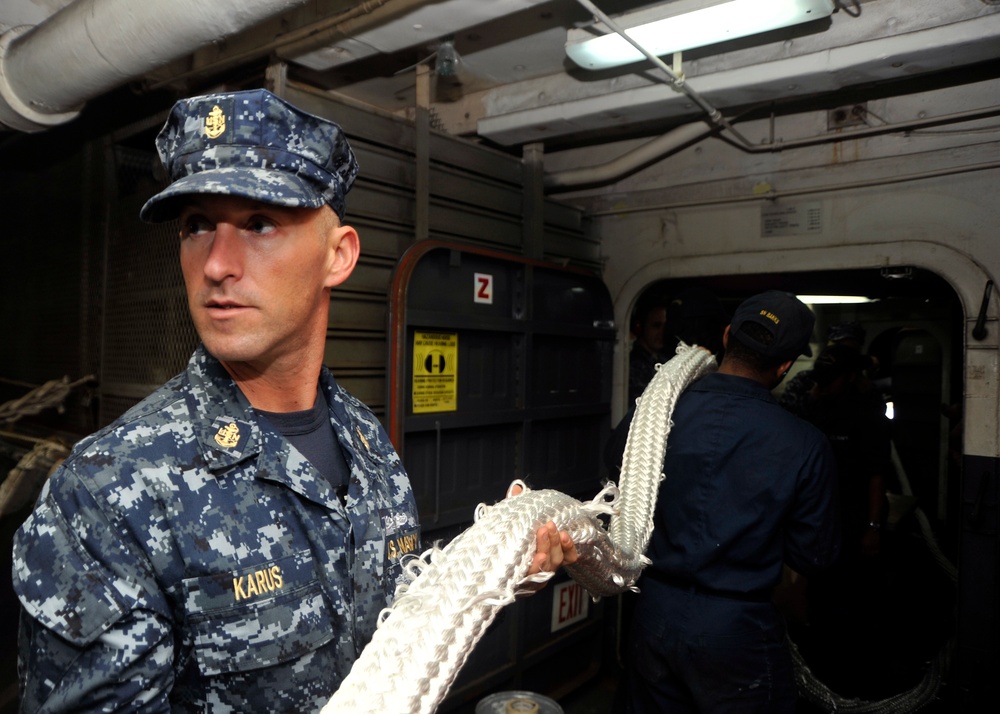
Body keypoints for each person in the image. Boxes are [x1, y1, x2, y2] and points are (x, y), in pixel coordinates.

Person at [11, 89, 576, 713]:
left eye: (259, 223)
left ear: (339, 256)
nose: (218, 264)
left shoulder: (365, 441)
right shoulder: (104, 495)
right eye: (197, 225)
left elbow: (392, 620)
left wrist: (496, 572)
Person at [620, 290, 841, 713]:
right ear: (785, 366)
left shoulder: (657, 413)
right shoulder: (806, 444)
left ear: (726, 336)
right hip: (737, 628)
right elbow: (814, 556)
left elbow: (620, 465)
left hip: (654, 615)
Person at [628, 294, 670, 405]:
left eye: (665, 326)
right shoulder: (633, 365)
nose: (662, 332)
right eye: (656, 326)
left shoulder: (666, 360)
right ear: (640, 327)